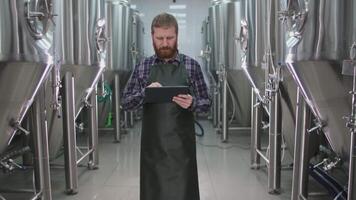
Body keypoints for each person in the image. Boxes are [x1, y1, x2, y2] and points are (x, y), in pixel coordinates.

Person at [122, 12, 211, 200]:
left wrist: (193, 103)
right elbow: (126, 102)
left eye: (170, 38)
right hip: (153, 151)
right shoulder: (143, 67)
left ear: (177, 36)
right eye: (160, 38)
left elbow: (207, 102)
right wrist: (145, 93)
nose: (164, 43)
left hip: (182, 151)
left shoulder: (191, 66)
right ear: (152, 37)